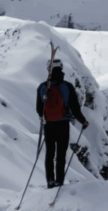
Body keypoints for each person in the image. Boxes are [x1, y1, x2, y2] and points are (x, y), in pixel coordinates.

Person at [36, 60, 89, 189]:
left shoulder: (42, 87)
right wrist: (83, 121)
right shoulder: (67, 86)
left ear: (49, 70)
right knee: (60, 154)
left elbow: (39, 108)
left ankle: (50, 181)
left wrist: (45, 118)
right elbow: (75, 108)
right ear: (61, 69)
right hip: (63, 124)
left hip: (48, 125)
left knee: (49, 154)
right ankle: (59, 181)